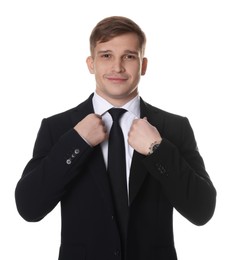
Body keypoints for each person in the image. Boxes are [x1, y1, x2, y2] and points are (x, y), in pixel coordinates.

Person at [15, 16, 216, 260]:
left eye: (129, 56)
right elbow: (29, 207)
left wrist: (157, 149)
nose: (117, 67)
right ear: (91, 63)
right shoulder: (58, 128)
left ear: (143, 65)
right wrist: (77, 143)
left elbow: (202, 210)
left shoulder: (173, 128)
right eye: (106, 55)